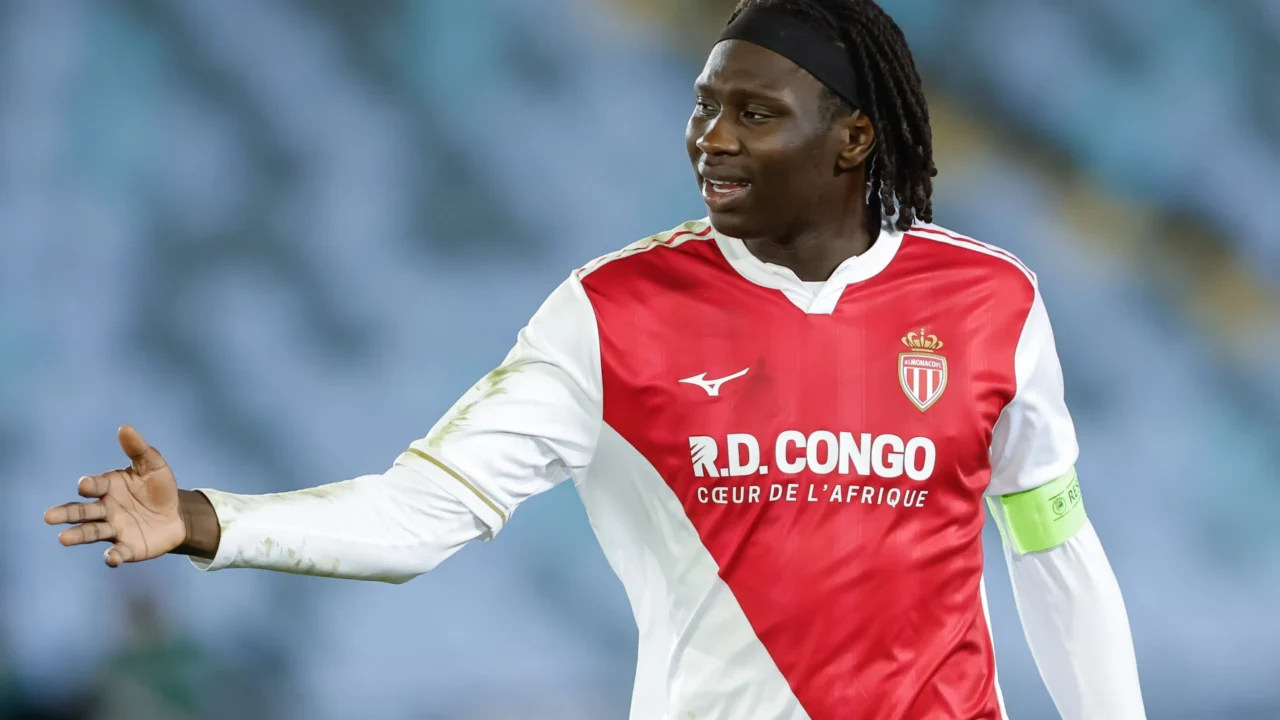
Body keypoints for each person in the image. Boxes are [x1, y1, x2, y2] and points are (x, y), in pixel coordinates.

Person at [44, 0, 1147, 718]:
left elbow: (1052, 547)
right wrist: (210, 520)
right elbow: (417, 515)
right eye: (703, 107)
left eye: (753, 113)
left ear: (853, 138)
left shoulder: (991, 302)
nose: (711, 138)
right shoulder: (612, 313)